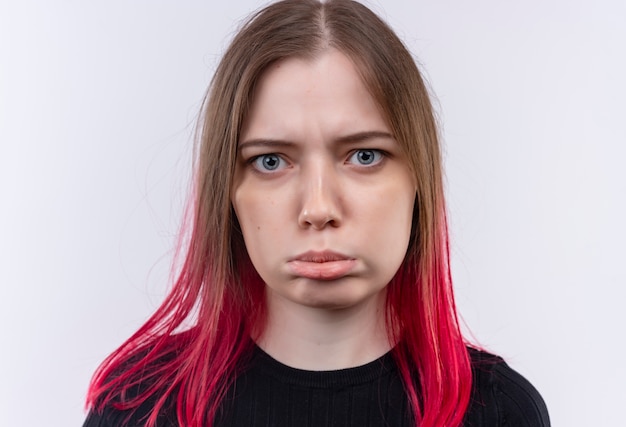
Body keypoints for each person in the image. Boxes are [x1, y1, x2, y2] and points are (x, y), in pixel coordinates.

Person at [83, 1, 550, 426]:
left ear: (419, 180)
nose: (318, 209)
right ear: (226, 190)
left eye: (364, 155)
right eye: (270, 161)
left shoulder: (499, 411)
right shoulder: (139, 406)